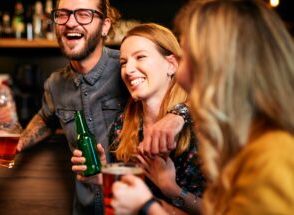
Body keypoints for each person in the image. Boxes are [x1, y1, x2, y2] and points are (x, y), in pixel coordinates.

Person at [111, 0, 294, 214]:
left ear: (218, 65)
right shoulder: (241, 143)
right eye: (123, 62)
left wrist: (147, 206)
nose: (180, 72)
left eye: (187, 55)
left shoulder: (271, 157)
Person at [16, 0, 186, 214]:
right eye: (63, 14)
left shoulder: (129, 69)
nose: (70, 22)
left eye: (83, 14)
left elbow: (192, 88)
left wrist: (177, 115)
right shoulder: (55, 84)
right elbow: (46, 116)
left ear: (105, 26)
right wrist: (18, 142)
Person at [71, 23, 205, 215]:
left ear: (171, 64)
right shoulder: (121, 126)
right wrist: (103, 178)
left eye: (140, 57)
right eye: (123, 63)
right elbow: (128, 203)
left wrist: (172, 189)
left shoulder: (199, 125)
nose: (129, 70)